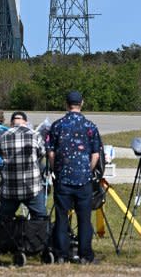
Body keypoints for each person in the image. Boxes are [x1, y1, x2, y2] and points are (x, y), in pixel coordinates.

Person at [48, 90, 101, 264]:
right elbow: (95, 155)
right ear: (82, 103)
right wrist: (88, 170)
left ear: (66, 104)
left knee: (62, 217)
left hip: (63, 178)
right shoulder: (90, 126)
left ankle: (61, 254)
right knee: (84, 218)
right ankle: (85, 255)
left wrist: (55, 168)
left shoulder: (57, 126)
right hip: (83, 179)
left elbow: (51, 153)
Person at [0, 111, 47, 220]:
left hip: (10, 187)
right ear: (26, 122)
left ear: (11, 123)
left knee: (5, 217)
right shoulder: (35, 135)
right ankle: (36, 235)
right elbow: (42, 153)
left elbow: (1, 154)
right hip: (32, 187)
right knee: (40, 216)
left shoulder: (2, 136)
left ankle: (7, 235)